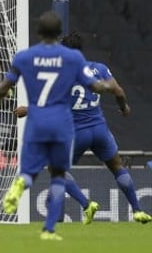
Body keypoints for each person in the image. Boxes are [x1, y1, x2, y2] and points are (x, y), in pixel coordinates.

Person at [0, 12, 129, 240]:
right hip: (61, 123)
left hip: (37, 122)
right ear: (58, 34)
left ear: (39, 33)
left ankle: (23, 183)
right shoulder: (73, 61)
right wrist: (112, 90)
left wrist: (3, 95)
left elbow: (1, 90)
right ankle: (51, 228)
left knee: (34, 169)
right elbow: (94, 87)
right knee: (58, 173)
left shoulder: (24, 57)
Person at [15, 31, 148, 224]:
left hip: (76, 133)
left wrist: (26, 110)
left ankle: (87, 205)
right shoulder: (99, 69)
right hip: (100, 130)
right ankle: (137, 210)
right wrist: (124, 107)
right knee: (117, 166)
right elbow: (118, 91)